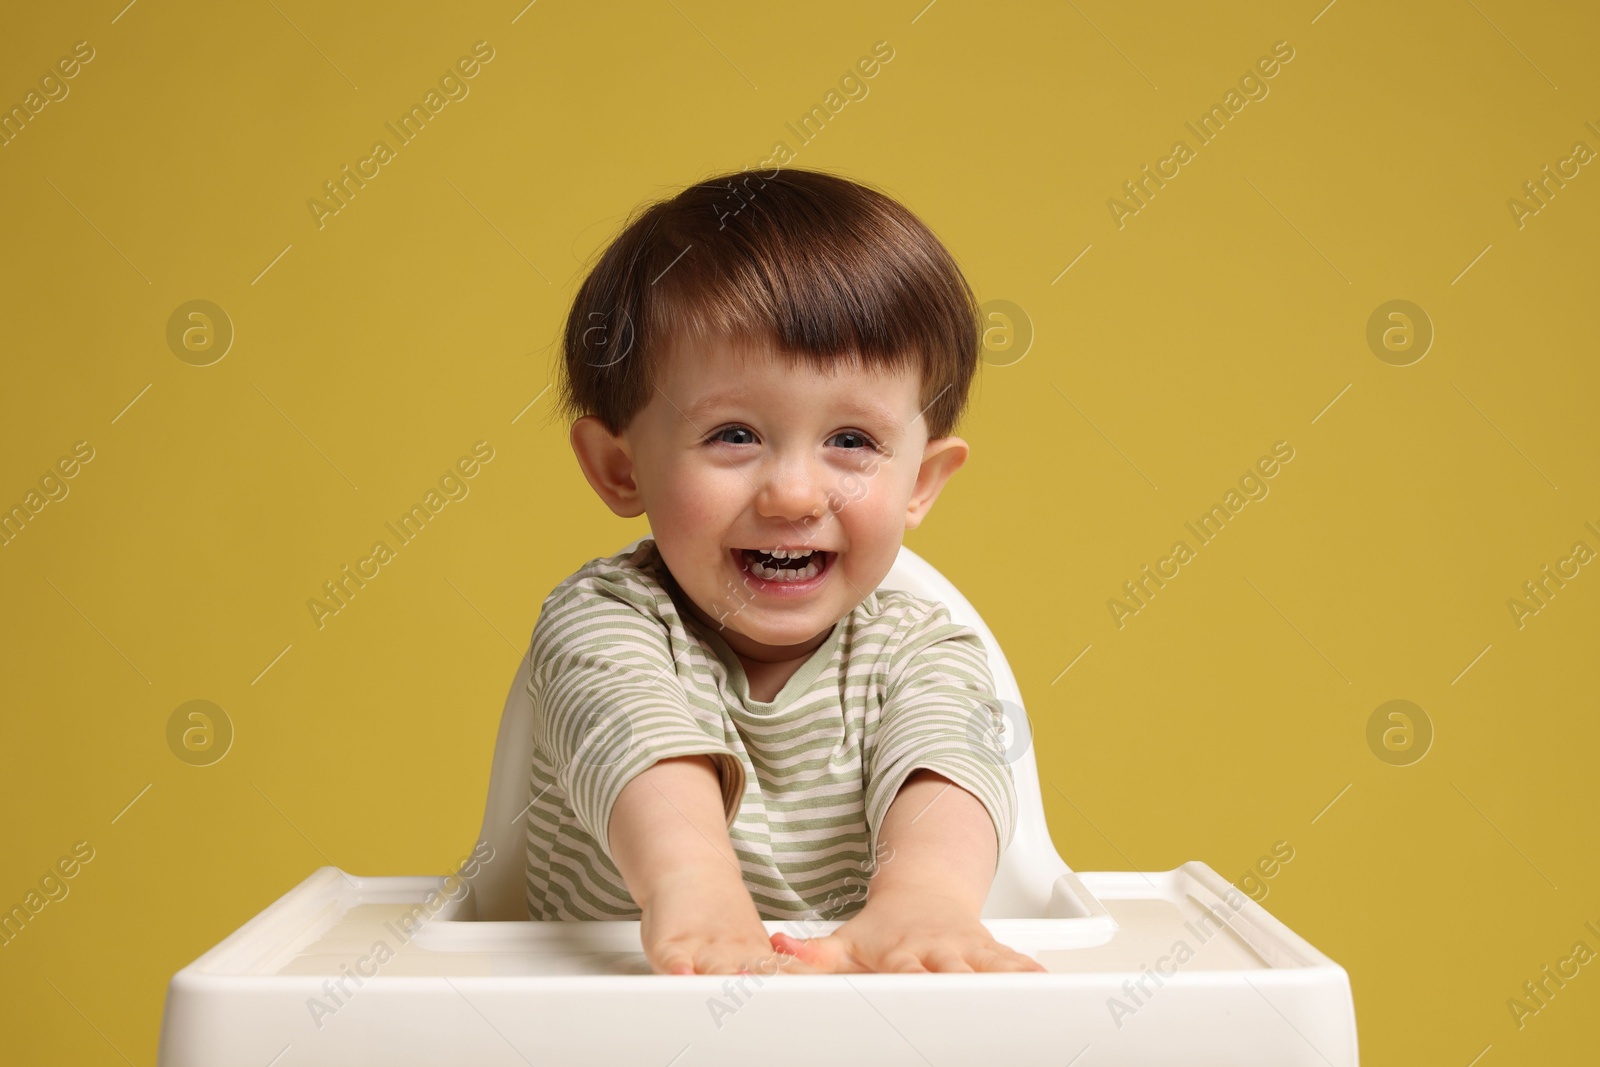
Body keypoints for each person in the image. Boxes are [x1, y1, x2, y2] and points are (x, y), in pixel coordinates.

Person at [526, 166, 1045, 977]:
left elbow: (950, 764)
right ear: (621, 468)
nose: (796, 493)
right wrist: (692, 885)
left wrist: (925, 903)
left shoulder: (922, 649)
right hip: (615, 1027)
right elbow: (626, 732)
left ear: (921, 482)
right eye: (734, 434)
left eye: (852, 441)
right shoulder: (604, 620)